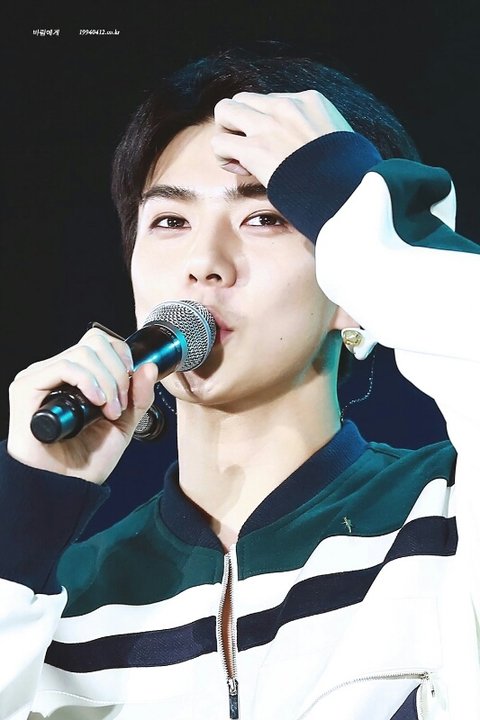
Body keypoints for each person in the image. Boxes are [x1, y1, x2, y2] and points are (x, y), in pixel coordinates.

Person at [1, 46, 479, 720]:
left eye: (265, 217)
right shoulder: (54, 604)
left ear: (353, 277)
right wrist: (25, 524)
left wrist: (362, 212)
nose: (204, 262)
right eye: (170, 221)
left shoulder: (447, 517)